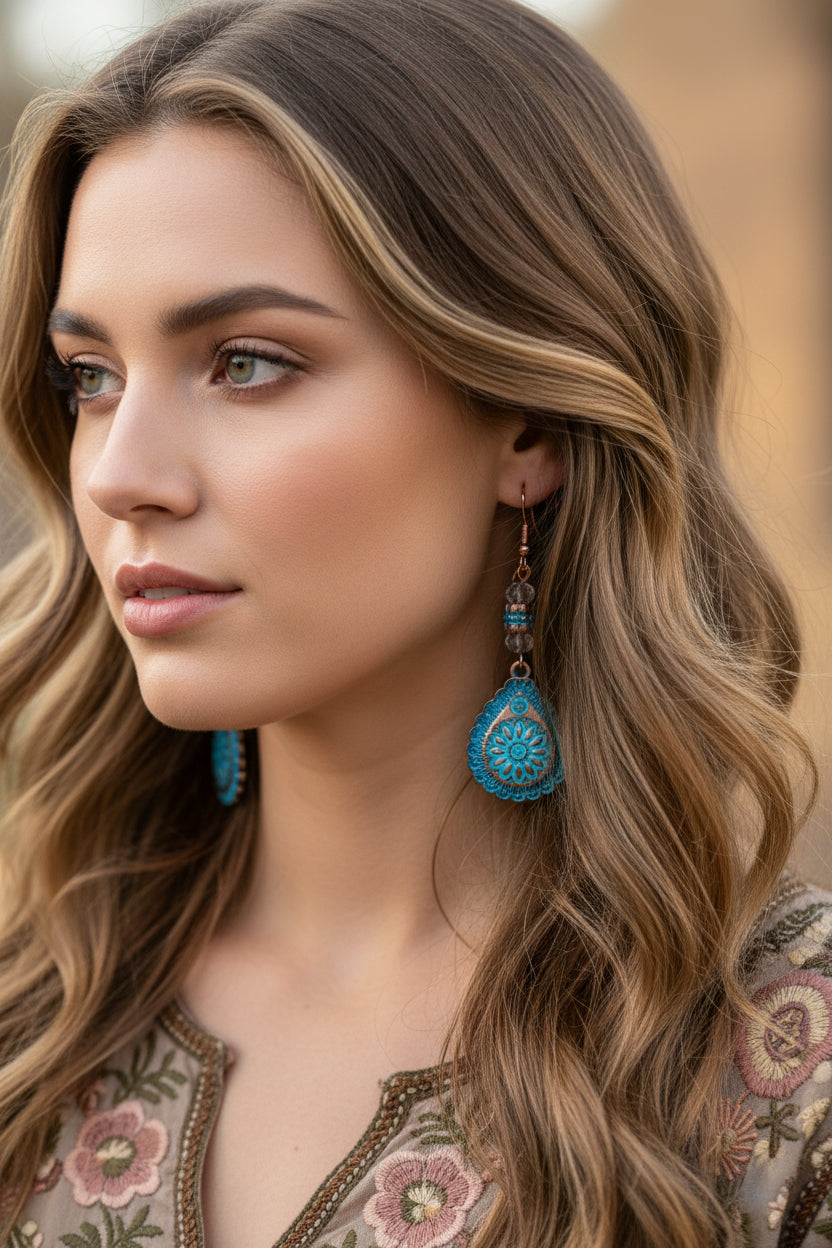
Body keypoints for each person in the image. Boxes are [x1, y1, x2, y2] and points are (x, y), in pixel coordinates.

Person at [0, 0, 827, 1244]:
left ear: (529, 426)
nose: (120, 472)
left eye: (246, 362)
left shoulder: (783, 1065)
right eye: (90, 378)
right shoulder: (29, 1009)